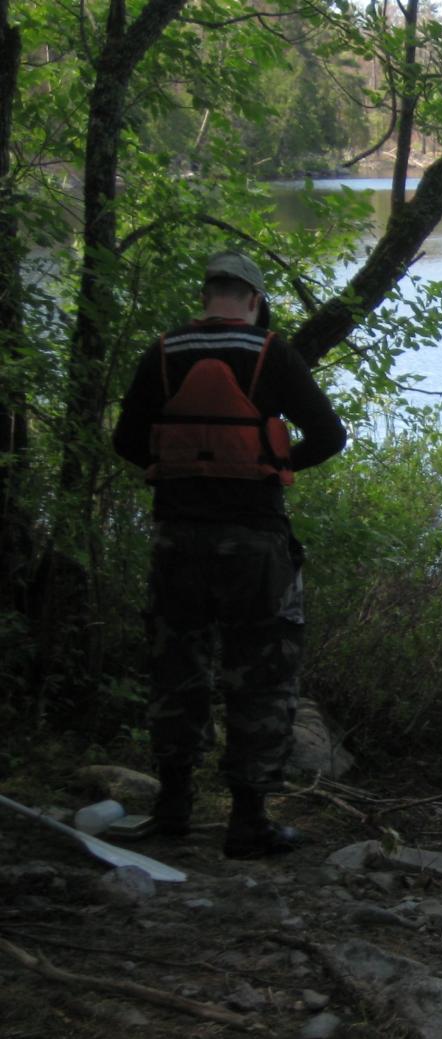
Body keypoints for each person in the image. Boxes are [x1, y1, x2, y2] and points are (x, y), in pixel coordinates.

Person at [111, 249, 347, 858]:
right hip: (254, 541)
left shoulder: (164, 352)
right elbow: (330, 436)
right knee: (261, 674)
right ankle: (248, 821)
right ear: (254, 300)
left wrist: (178, 472)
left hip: (177, 537)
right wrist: (274, 466)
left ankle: (172, 809)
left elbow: (126, 440)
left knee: (177, 669)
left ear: (205, 296)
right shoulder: (271, 352)